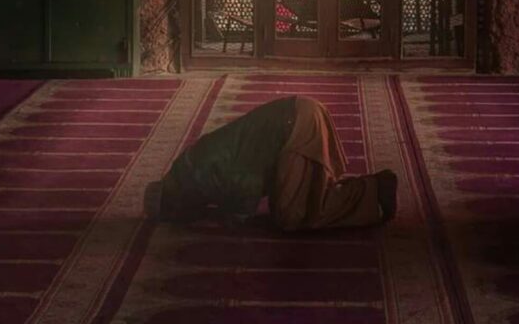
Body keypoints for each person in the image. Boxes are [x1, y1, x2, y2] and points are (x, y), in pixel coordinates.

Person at [144, 95, 397, 231]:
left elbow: (247, 183)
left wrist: (236, 219)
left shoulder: (196, 174)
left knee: (292, 216)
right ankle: (368, 194)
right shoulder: (191, 166)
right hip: (299, 115)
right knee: (307, 195)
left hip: (295, 125)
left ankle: (374, 189)